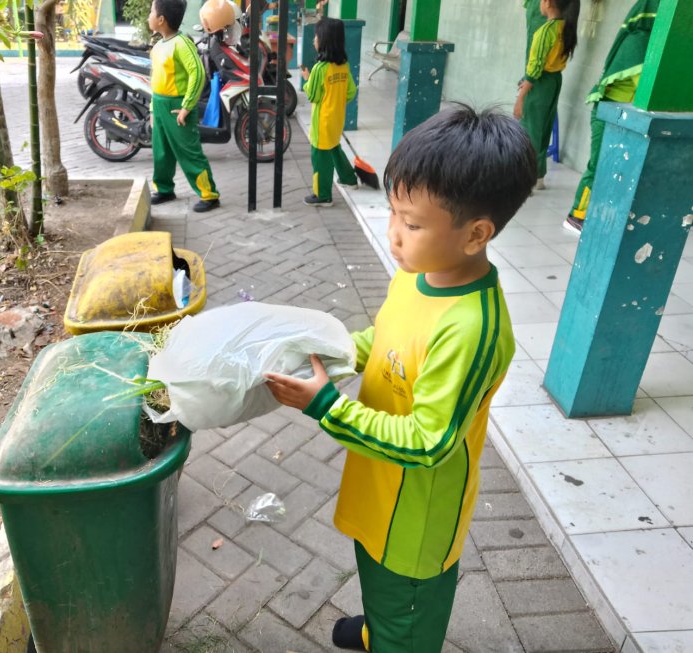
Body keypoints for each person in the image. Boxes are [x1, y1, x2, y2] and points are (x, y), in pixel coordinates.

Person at [265, 105, 536, 652]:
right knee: (377, 581)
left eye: (411, 224)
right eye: (392, 213)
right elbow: (386, 340)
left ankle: (394, 636)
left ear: (475, 234)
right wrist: (338, 352)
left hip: (416, 519)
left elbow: (429, 442)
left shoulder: (472, 329)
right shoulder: (419, 276)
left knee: (407, 612)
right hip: (379, 488)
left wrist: (326, 406)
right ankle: (376, 629)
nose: (394, 234)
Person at [565, 0, 659, 234]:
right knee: (598, 166)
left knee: (615, 169)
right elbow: (647, 86)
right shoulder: (637, 44)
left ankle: (602, 215)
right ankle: (577, 215)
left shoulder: (647, 45)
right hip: (606, 113)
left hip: (622, 115)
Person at [147, 0, 220, 213]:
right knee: (161, 152)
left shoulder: (182, 43)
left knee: (189, 152)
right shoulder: (159, 46)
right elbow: (155, 80)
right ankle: (164, 189)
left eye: (151, 12)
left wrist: (187, 106)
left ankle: (209, 194)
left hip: (178, 107)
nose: (148, 16)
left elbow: (196, 73)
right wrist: (153, 108)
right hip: (160, 106)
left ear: (161, 20)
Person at [514, 0, 579, 190]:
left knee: (530, 130)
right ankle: (539, 177)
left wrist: (520, 98)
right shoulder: (565, 28)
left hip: (539, 83)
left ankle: (529, 179)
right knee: (543, 129)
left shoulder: (544, 31)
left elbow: (534, 69)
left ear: (548, 3)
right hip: (554, 80)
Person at [301, 17, 358, 207]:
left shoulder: (320, 68)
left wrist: (308, 79)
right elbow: (351, 92)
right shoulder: (343, 66)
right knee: (334, 147)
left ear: (324, 40)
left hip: (322, 122)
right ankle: (349, 178)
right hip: (336, 119)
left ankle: (323, 195)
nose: (313, 40)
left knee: (320, 157)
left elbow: (313, 96)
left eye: (316, 36)